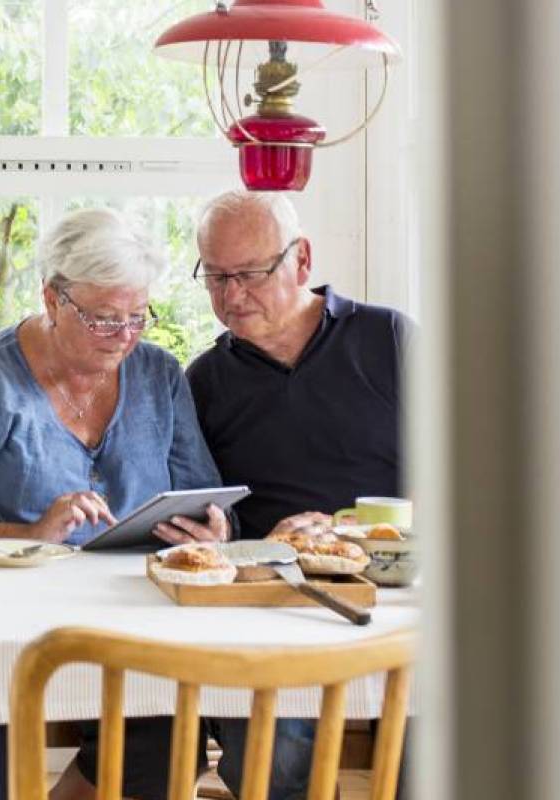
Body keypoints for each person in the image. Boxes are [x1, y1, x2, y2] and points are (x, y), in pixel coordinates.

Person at [0, 207, 229, 800]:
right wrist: (29, 532)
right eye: (103, 320)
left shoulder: (158, 375)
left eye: (136, 318)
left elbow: (200, 491)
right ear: (52, 299)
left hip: (133, 615)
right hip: (7, 625)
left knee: (172, 725)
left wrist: (210, 531)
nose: (124, 338)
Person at [164, 190, 412, 799]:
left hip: (399, 586)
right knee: (271, 756)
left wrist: (353, 529)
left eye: (249, 273)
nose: (231, 295)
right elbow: (206, 512)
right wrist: (222, 537)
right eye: (216, 277)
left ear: (301, 261)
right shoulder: (205, 381)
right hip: (274, 598)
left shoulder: (388, 339)